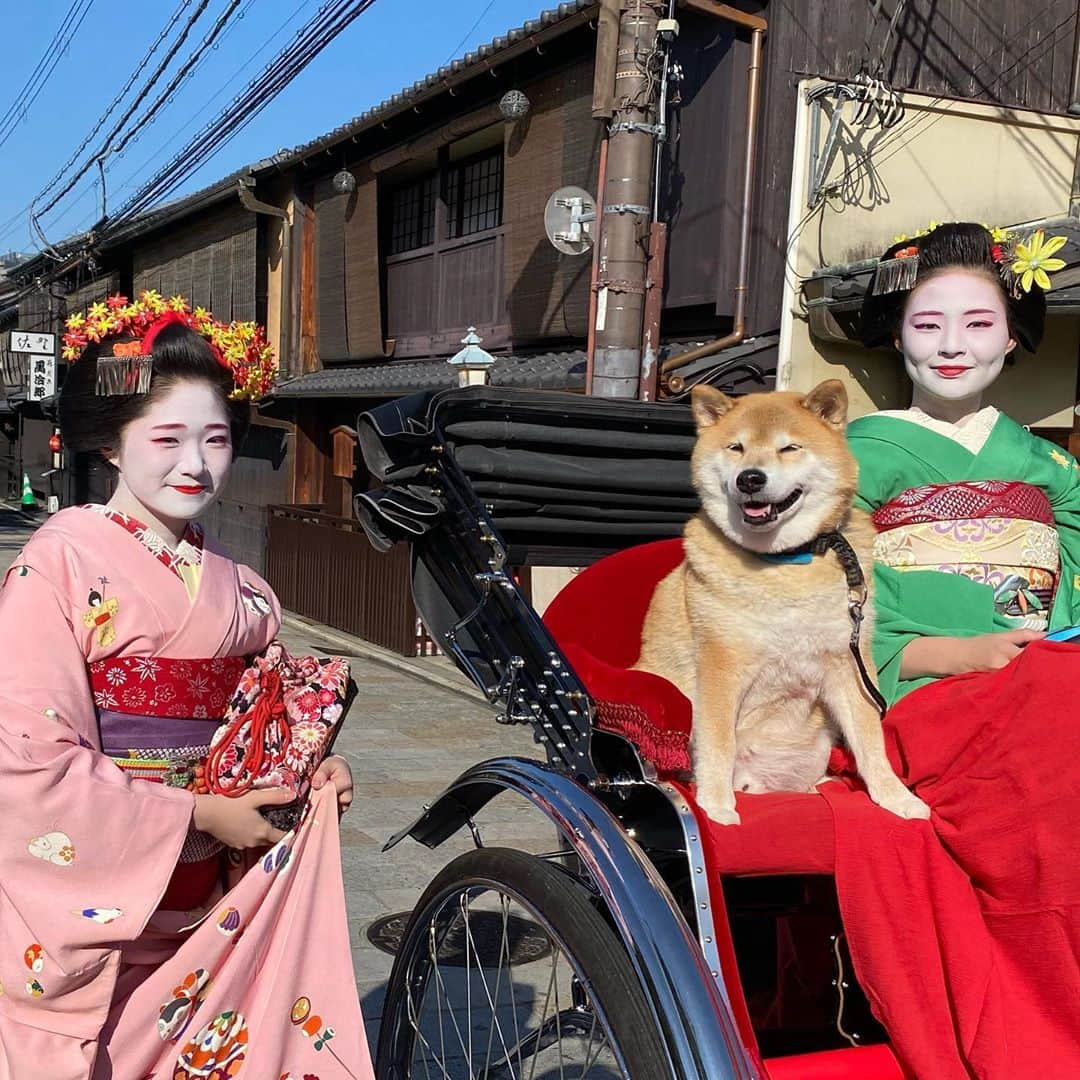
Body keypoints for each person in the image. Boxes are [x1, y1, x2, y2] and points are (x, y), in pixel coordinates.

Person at [0, 293, 374, 1079]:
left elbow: (261, 725)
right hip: (101, 907)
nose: (194, 464)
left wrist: (309, 775)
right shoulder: (60, 561)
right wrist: (198, 811)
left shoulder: (244, 591)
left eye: (215, 439)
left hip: (209, 904)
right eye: (166, 438)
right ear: (111, 444)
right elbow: (26, 757)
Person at [827, 223, 1080, 1077]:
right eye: (928, 323)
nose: (951, 345)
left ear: (1014, 338)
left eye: (979, 323)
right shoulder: (854, 455)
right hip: (924, 692)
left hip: (1036, 677)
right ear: (896, 333)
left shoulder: (1051, 463)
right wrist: (963, 654)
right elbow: (839, 605)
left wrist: (1040, 648)